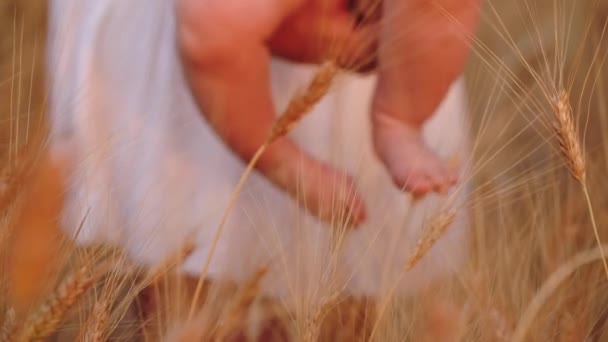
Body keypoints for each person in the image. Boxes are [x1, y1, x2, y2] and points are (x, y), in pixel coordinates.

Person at [10, 0, 479, 332]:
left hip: (385, 44)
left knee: (348, 298)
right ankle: (278, 157)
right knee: (191, 289)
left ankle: (399, 118)